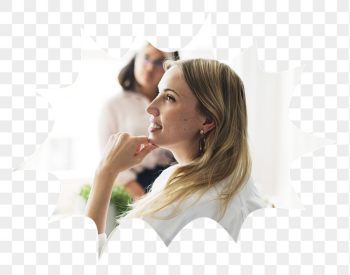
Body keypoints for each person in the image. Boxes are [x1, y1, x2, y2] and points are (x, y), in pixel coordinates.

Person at [85, 58, 266, 258]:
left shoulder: (179, 208)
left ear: (207, 121)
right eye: (158, 93)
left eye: (170, 98)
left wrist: (105, 172)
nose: (151, 107)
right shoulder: (238, 181)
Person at [98, 43, 179, 201]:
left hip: (171, 180)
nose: (149, 68)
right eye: (146, 58)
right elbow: (107, 156)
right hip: (132, 184)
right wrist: (137, 195)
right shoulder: (114, 106)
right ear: (135, 59)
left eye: (158, 62)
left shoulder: (177, 104)